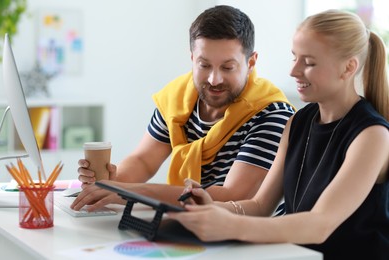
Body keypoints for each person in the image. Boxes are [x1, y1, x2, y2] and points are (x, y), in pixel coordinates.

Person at [168, 9, 389, 259]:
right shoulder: (297, 122)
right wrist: (213, 208)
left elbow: (320, 225)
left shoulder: (372, 135)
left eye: (309, 62)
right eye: (294, 58)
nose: (294, 71)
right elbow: (261, 206)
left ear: (348, 67)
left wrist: (229, 225)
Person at [71, 5, 295, 211]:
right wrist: (113, 179)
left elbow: (231, 196)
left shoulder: (272, 114)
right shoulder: (178, 98)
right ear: (192, 58)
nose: (214, 79)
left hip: (249, 241)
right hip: (188, 224)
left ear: (251, 63)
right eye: (204, 65)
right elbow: (143, 160)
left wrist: (130, 192)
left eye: (227, 67)